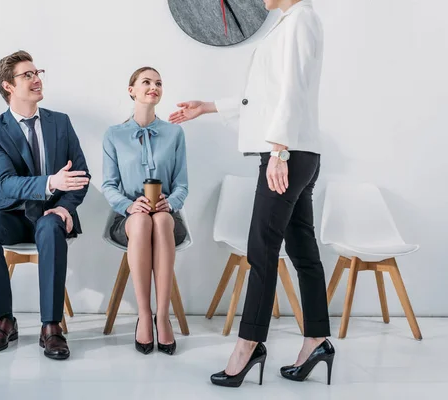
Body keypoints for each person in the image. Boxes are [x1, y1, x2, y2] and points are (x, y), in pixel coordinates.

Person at [169, 0, 335, 386]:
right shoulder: (291, 21)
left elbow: (291, 90)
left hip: (287, 152)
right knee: (303, 252)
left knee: (262, 249)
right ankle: (317, 339)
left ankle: (248, 345)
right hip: (299, 150)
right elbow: (267, 96)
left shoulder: (300, 20)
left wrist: (278, 150)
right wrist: (208, 106)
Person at [0, 50, 90, 360]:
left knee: (51, 228)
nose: (37, 79)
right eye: (28, 75)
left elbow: (81, 175)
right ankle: (4, 319)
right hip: (12, 213)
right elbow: (6, 183)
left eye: (38, 73)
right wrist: (51, 182)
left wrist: (65, 207)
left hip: (52, 214)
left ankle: (51, 326)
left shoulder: (60, 123)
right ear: (8, 86)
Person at [102, 67, 188, 356]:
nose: (154, 87)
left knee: (161, 221)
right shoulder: (114, 134)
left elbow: (182, 185)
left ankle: (162, 317)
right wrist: (129, 205)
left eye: (159, 83)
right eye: (147, 82)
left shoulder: (175, 133)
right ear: (132, 90)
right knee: (141, 223)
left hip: (166, 214)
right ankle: (144, 314)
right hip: (127, 216)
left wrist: (171, 202)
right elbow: (108, 185)